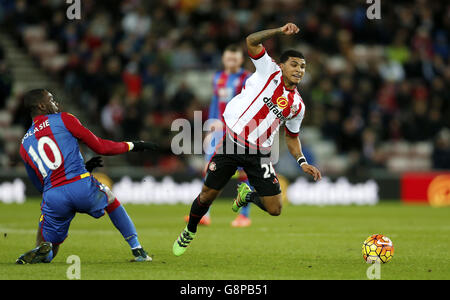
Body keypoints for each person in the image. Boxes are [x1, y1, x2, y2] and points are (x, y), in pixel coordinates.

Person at [173, 23, 322, 256]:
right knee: (207, 196)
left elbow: (292, 138)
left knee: (275, 208)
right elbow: (252, 41)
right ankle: (189, 230)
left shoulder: (297, 106)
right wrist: (279, 31)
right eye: (294, 64)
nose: (299, 70)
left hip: (260, 154)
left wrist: (302, 162)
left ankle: (247, 195)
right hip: (231, 143)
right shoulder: (268, 70)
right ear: (282, 65)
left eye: (303, 67)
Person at [16, 89, 157, 264]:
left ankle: (44, 252)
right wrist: (133, 145)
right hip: (80, 186)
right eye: (51, 100)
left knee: (51, 244)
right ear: (41, 105)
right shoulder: (64, 119)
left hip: (54, 196)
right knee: (111, 199)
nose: (56, 104)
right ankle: (138, 250)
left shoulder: (24, 144)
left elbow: (39, 185)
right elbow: (101, 147)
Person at [184, 44, 253, 227]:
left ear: (240, 59)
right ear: (223, 59)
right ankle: (204, 214)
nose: (231, 61)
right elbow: (215, 103)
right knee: (210, 169)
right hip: (219, 129)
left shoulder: (248, 79)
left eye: (234, 58)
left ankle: (244, 215)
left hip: (240, 130)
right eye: (228, 58)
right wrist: (210, 128)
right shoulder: (218, 78)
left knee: (243, 171)